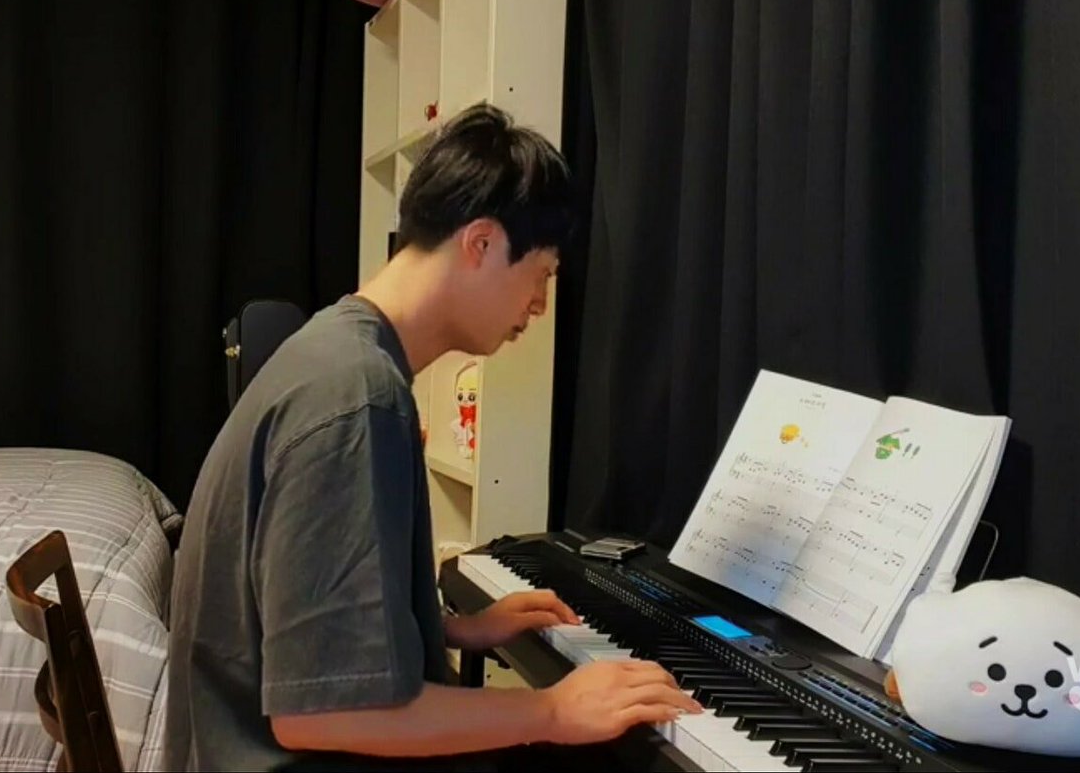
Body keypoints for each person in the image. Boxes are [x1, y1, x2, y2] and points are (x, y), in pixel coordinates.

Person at [165, 104, 702, 772]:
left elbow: (296, 618)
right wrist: (551, 711)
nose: (539, 306)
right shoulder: (355, 394)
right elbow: (322, 712)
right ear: (481, 243)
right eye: (541, 275)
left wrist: (444, 627)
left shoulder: (334, 354)